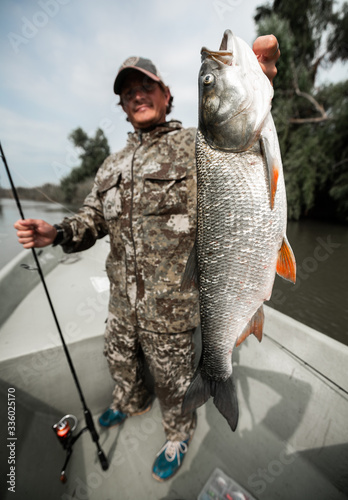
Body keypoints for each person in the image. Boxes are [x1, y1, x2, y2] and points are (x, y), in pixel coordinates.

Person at [15, 35, 280, 481]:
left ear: (167, 94)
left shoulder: (199, 144)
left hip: (173, 315)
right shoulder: (110, 165)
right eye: (127, 91)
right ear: (121, 105)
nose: (137, 95)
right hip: (121, 307)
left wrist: (259, 84)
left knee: (178, 389)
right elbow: (91, 219)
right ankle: (130, 402)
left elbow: (245, 145)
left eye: (146, 86)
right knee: (121, 366)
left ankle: (177, 436)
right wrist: (56, 231)